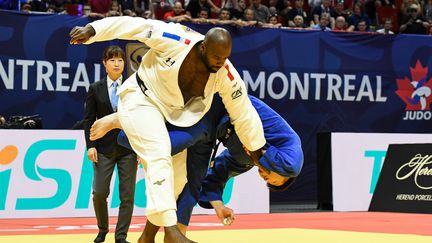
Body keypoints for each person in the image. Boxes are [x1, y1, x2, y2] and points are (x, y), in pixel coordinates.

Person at [69, 17, 266, 243]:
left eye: (224, 58)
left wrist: (257, 152)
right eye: (216, 57)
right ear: (203, 47)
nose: (220, 63)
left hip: (175, 115)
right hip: (141, 99)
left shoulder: (226, 73)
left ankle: (147, 237)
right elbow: (135, 26)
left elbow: (243, 112)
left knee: (178, 175)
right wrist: (93, 30)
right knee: (158, 151)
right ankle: (172, 231)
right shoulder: (176, 38)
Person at [90, 94, 304, 238]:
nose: (263, 174)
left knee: (193, 185)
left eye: (264, 178)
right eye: (272, 174)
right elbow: (291, 166)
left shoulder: (248, 161)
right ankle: (122, 119)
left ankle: (175, 238)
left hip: (212, 133)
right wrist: (262, 154)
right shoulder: (289, 144)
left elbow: (218, 175)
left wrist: (219, 206)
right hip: (219, 107)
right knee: (178, 142)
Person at [83, 45, 138, 243]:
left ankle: (121, 236)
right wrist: (90, 145)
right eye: (112, 60)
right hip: (103, 148)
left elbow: (139, 117)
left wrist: (140, 147)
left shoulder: (133, 87)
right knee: (99, 193)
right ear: (104, 63)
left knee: (127, 196)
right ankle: (102, 230)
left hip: (128, 149)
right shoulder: (95, 88)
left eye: (120, 60)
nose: (117, 63)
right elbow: (89, 119)